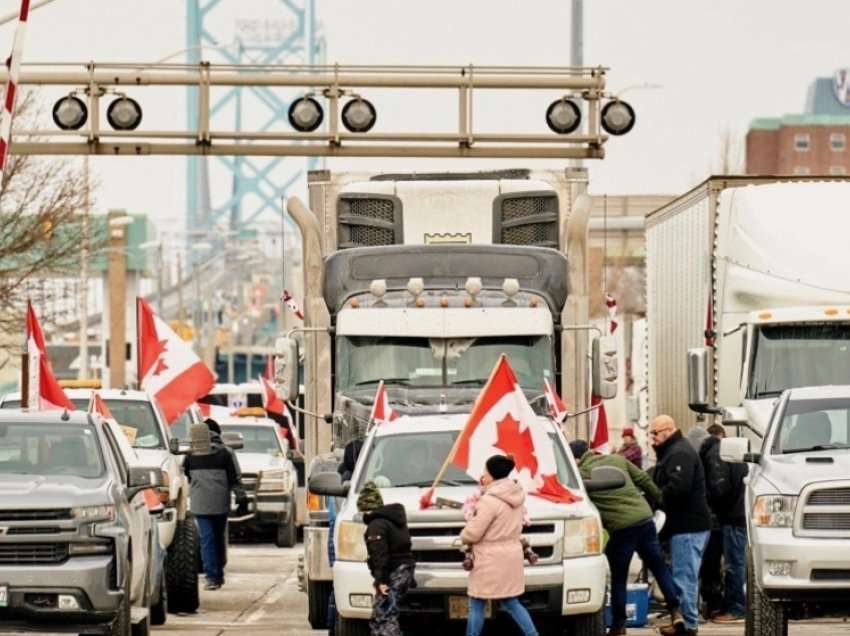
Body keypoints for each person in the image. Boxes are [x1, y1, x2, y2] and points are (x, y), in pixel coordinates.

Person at [570, 440, 683, 636]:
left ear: (577, 459)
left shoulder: (579, 476)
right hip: (644, 519)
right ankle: (676, 612)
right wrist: (659, 500)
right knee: (658, 566)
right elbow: (644, 480)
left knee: (619, 578)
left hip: (621, 529)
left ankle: (618, 625)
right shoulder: (617, 460)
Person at [460, 455, 539, 636]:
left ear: (492, 474)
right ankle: (532, 634)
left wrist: (463, 535)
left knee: (477, 604)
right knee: (511, 602)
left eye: (485, 471)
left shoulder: (489, 500)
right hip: (511, 555)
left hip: (489, 559)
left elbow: (474, 532)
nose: (482, 475)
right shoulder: (516, 496)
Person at [650, 415, 712, 636]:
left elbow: (678, 487)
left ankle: (688, 625)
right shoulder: (673, 451)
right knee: (683, 575)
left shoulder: (679, 453)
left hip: (688, 526)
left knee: (685, 577)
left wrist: (655, 496)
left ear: (667, 430)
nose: (652, 438)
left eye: (655, 433)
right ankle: (682, 621)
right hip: (685, 526)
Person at [184, 422, 246, 591]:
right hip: (220, 504)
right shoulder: (226, 453)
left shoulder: (189, 455)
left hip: (200, 504)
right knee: (217, 538)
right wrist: (241, 498)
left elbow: (188, 477)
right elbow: (235, 478)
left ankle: (213, 577)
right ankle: (217, 574)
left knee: (207, 539)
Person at [701, 424, 748, 624]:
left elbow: (720, 487)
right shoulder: (729, 451)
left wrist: (709, 502)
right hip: (740, 513)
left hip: (732, 516)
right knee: (736, 563)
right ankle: (735, 605)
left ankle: (736, 608)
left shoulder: (714, 454)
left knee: (733, 564)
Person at [357, 481, 415, 636]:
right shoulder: (395, 520)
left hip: (393, 573)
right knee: (388, 611)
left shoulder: (377, 525)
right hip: (405, 570)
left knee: (383, 614)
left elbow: (379, 555)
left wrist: (380, 581)